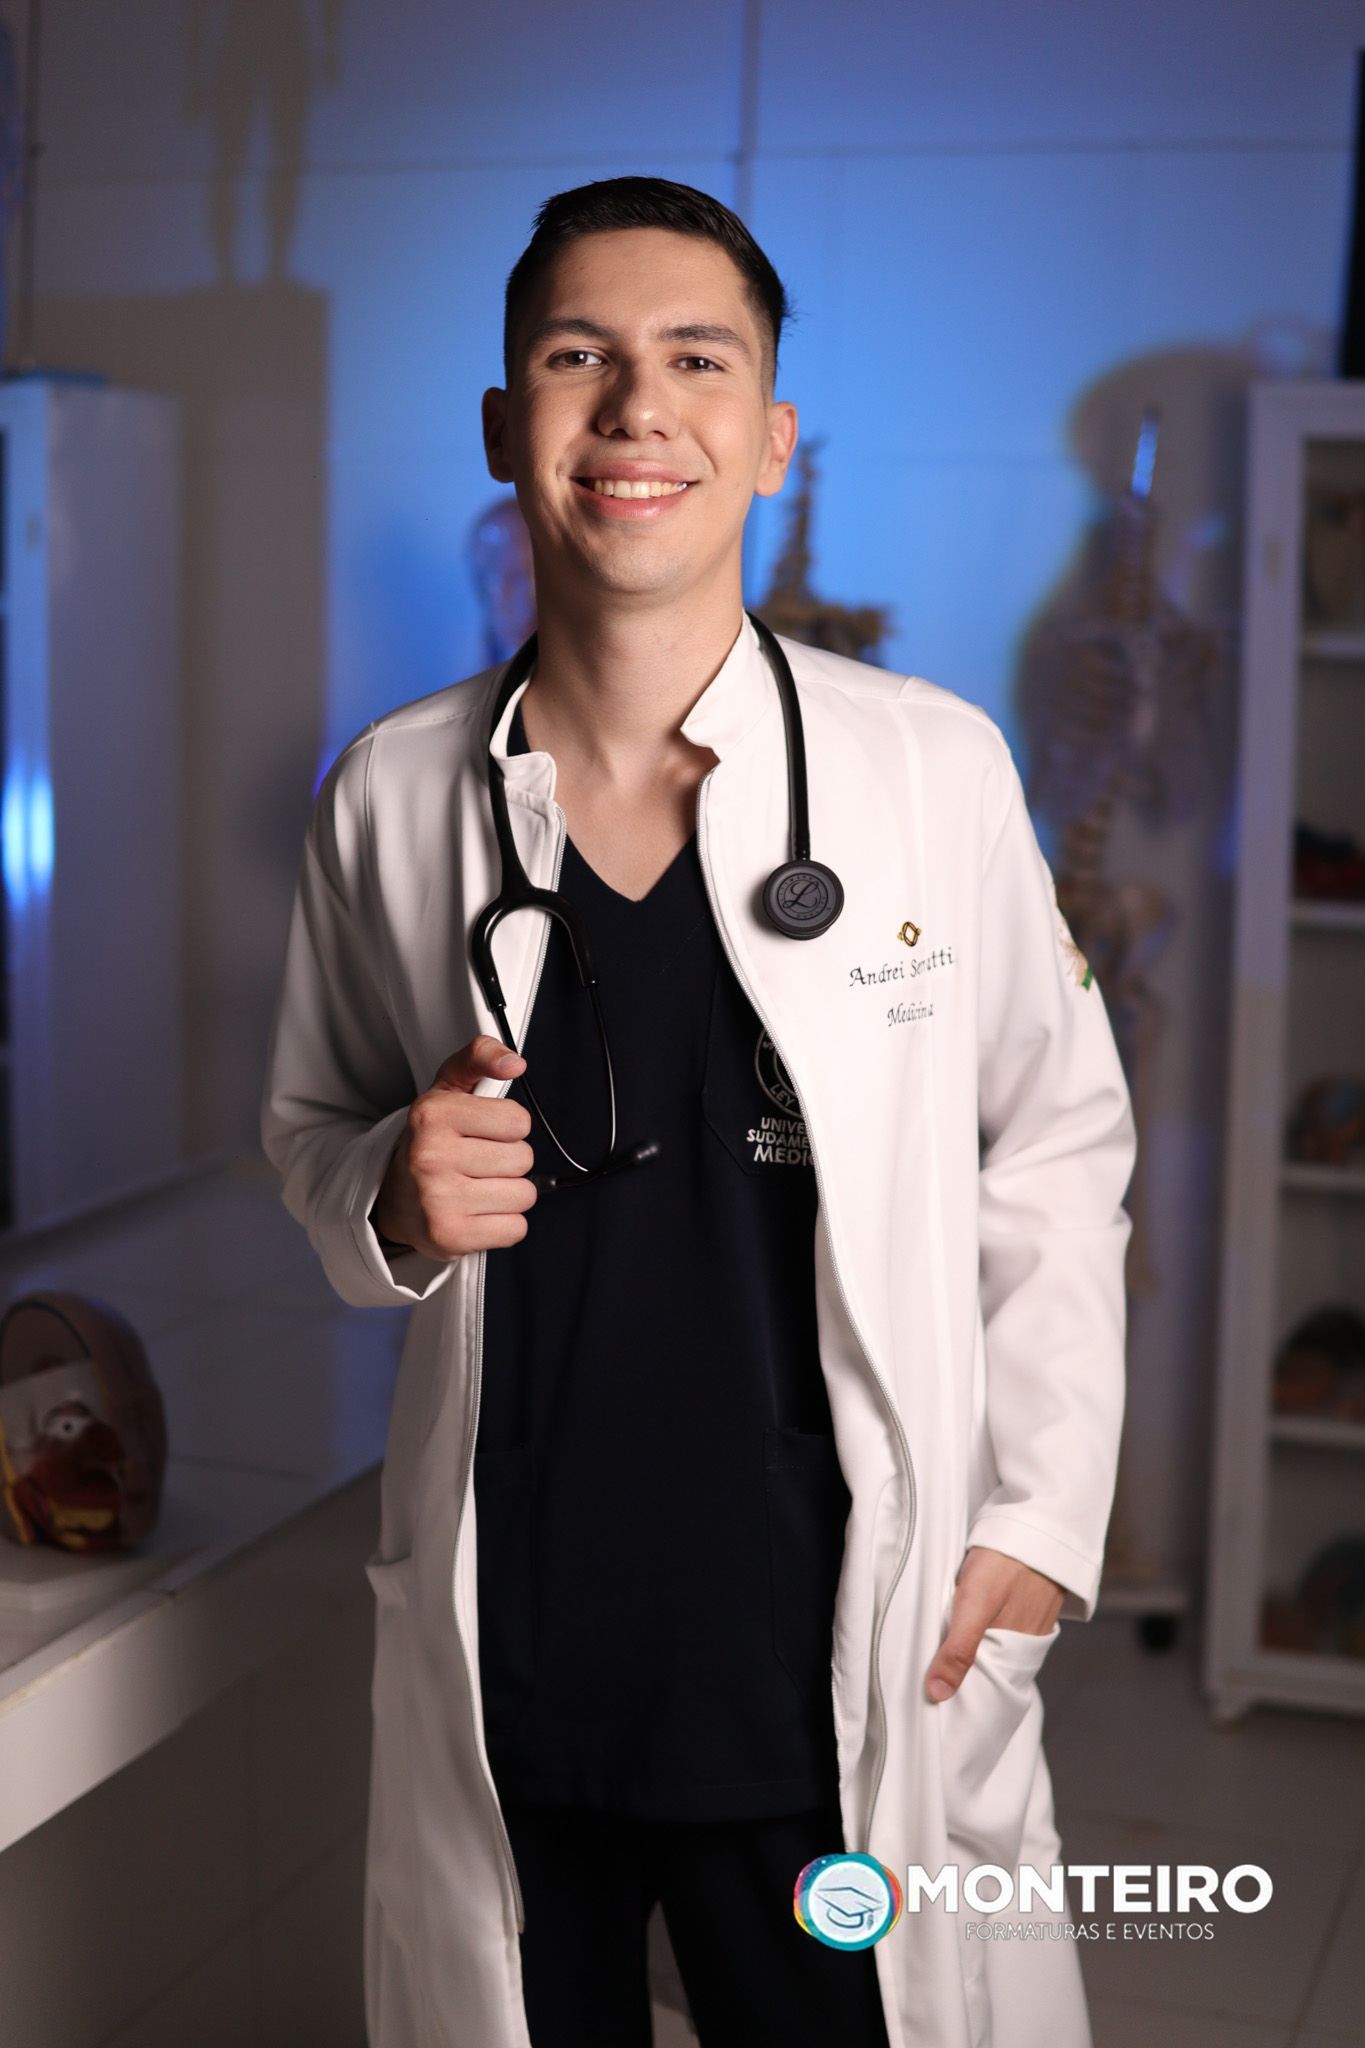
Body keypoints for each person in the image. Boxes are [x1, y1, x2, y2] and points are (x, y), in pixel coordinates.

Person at [261, 176, 1137, 2048]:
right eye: (578, 358)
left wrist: (1044, 1515)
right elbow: (313, 1131)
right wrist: (391, 1195)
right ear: (503, 423)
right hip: (521, 1645)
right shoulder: (392, 794)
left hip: (821, 1644)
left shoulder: (927, 769)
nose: (637, 407)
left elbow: (1057, 1147)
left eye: (696, 361)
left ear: (770, 433)